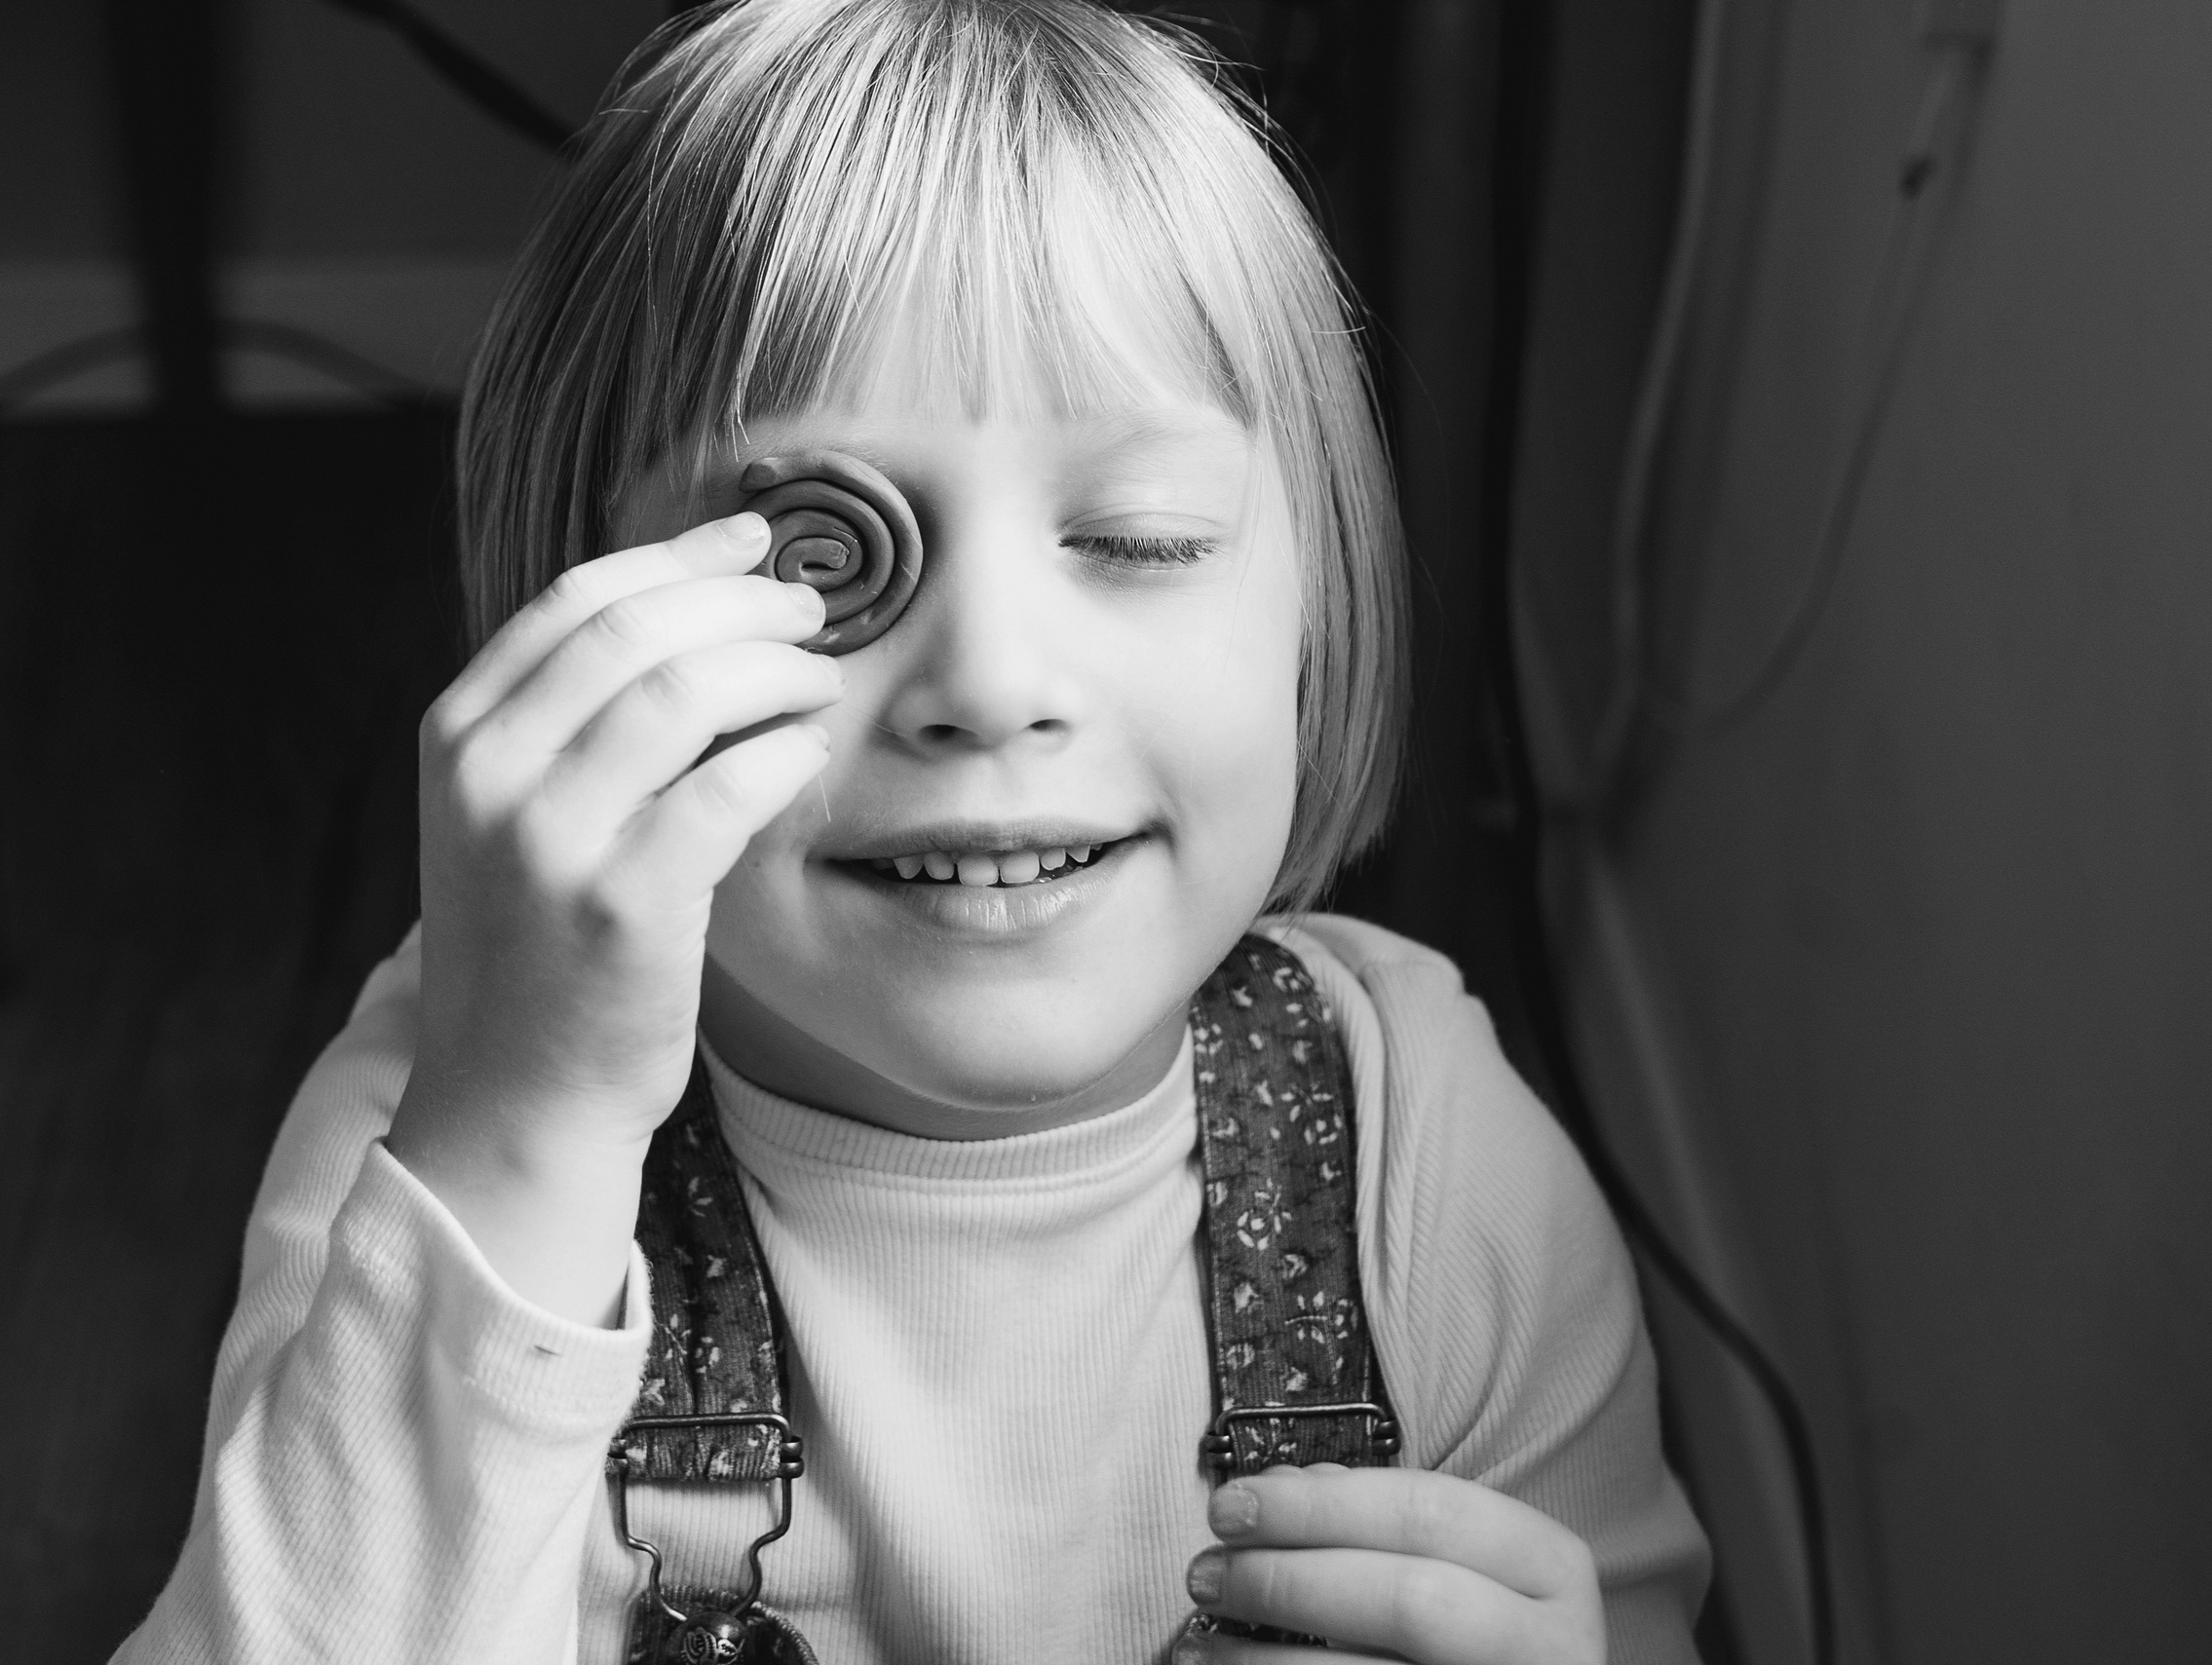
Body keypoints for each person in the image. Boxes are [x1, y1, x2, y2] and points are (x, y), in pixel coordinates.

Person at [119, 2, 1709, 1660]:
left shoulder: (1426, 1171)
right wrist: (524, 1134)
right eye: (823, 552)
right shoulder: (450, 1135)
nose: (991, 681)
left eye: (1142, 538)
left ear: (1323, 609)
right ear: (581, 624)